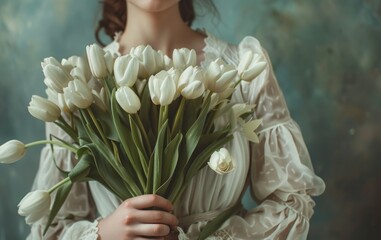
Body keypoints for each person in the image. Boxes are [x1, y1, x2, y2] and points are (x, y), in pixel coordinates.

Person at [28, 0, 326, 239]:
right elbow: (50, 230)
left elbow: (291, 202)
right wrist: (103, 234)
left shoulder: (243, 72)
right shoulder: (78, 85)